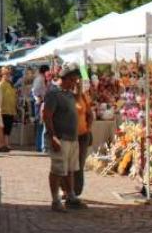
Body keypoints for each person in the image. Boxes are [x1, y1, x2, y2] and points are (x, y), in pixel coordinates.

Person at [42, 62, 86, 212]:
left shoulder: (68, 93)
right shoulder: (54, 93)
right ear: (65, 78)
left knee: (70, 169)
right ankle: (55, 200)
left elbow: (78, 97)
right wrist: (53, 137)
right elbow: (46, 116)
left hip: (72, 138)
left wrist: (79, 85)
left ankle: (70, 195)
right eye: (73, 80)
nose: (74, 83)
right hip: (60, 138)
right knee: (57, 170)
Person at [73, 80, 95, 197]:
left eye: (79, 84)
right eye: (76, 84)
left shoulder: (84, 97)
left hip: (83, 135)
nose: (77, 86)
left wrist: (89, 128)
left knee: (80, 164)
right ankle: (67, 189)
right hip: (69, 135)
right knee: (70, 163)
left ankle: (76, 192)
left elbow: (90, 115)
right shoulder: (67, 97)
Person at [0, 66, 17, 152]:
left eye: (9, 74)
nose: (8, 75)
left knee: (8, 128)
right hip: (3, 110)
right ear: (2, 74)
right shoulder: (1, 84)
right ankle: (3, 144)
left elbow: (13, 96)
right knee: (3, 128)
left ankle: (6, 144)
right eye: (6, 74)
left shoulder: (10, 84)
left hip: (10, 110)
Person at [32, 65, 50, 152]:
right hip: (40, 104)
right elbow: (36, 91)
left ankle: (40, 145)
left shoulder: (41, 79)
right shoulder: (40, 79)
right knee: (40, 125)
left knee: (41, 125)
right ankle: (39, 145)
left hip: (41, 103)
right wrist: (40, 98)